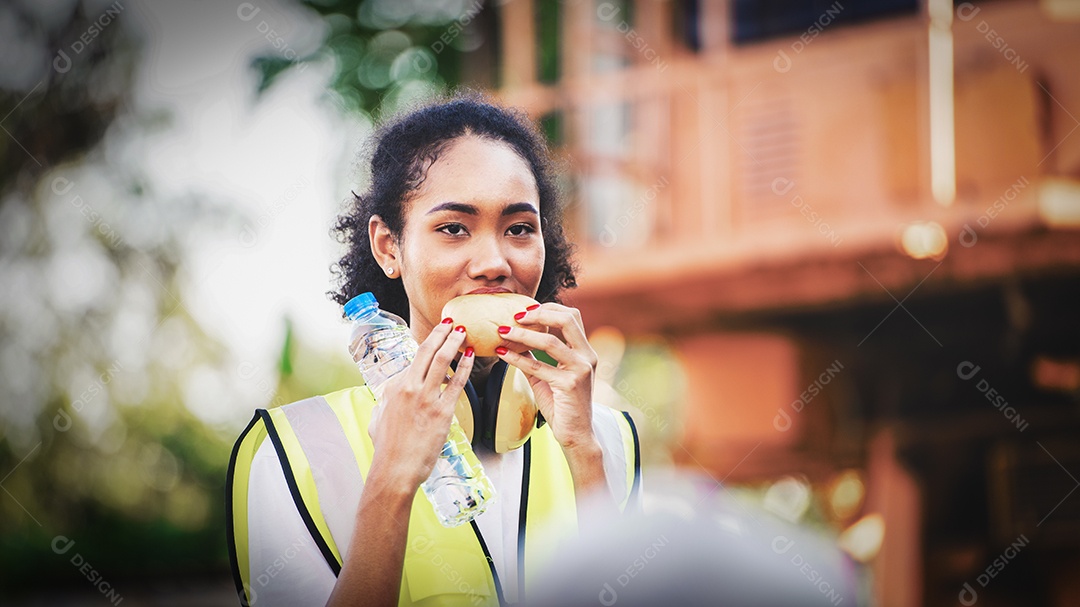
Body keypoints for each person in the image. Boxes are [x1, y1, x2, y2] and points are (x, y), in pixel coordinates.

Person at [226, 93, 642, 607]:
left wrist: (585, 454)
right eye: (453, 228)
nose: (493, 261)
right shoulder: (291, 449)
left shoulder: (608, 438)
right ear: (388, 247)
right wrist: (393, 481)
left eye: (519, 228)